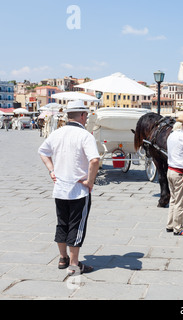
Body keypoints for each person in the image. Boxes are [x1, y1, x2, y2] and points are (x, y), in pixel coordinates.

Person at [38, 100, 100, 275]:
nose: (86, 118)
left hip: (60, 188)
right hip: (78, 190)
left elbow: (42, 151)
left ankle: (62, 258)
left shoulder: (57, 133)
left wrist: (52, 170)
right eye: (86, 115)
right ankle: (74, 264)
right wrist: (90, 181)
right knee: (77, 226)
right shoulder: (85, 135)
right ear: (81, 115)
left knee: (62, 223)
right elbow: (95, 160)